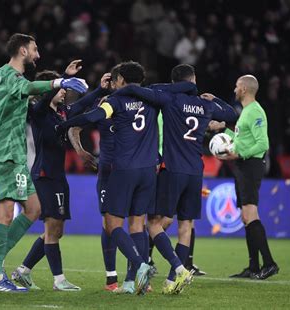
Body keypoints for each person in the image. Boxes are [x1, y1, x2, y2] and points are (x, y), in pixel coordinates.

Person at [57, 61, 193, 295]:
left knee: (111, 223)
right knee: (138, 223)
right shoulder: (154, 98)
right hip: (149, 171)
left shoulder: (114, 102)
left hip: (123, 170)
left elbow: (93, 116)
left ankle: (141, 265)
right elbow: (180, 89)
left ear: (120, 80)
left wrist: (64, 125)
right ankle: (132, 282)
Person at [113, 64, 237, 293]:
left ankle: (178, 267)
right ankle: (172, 281)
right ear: (194, 80)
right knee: (186, 225)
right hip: (195, 171)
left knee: (153, 223)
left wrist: (117, 92)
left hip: (172, 169)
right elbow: (231, 115)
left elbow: (143, 90)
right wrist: (214, 97)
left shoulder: (169, 99)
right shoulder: (205, 104)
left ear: (174, 82)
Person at [0, 33, 88, 293]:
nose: (38, 55)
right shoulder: (10, 77)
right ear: (22, 51)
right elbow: (30, 88)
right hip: (3, 152)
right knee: (4, 214)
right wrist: (60, 80)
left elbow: (34, 94)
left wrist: (61, 79)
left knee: (33, 208)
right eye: (35, 49)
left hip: (14, 155)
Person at [10, 66, 109, 292]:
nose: (64, 91)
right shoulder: (39, 110)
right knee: (52, 228)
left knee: (56, 230)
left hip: (58, 177)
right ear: (49, 90)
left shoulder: (60, 112)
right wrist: (64, 79)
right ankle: (59, 280)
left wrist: (99, 90)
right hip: (44, 175)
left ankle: (24, 270)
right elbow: (45, 99)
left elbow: (82, 105)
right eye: (60, 88)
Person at [219, 74, 279, 280]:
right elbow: (240, 138)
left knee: (250, 215)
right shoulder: (246, 112)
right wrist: (222, 128)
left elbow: (263, 144)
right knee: (246, 217)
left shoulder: (255, 111)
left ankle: (269, 263)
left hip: (251, 165)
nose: (234, 90)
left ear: (244, 89)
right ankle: (254, 266)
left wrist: (240, 154)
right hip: (242, 165)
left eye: (236, 86)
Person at [67, 73, 119, 291]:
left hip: (132, 171)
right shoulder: (104, 106)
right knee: (108, 224)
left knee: (138, 221)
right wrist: (80, 151)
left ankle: (138, 272)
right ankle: (111, 278)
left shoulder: (138, 105)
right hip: (108, 172)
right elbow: (75, 127)